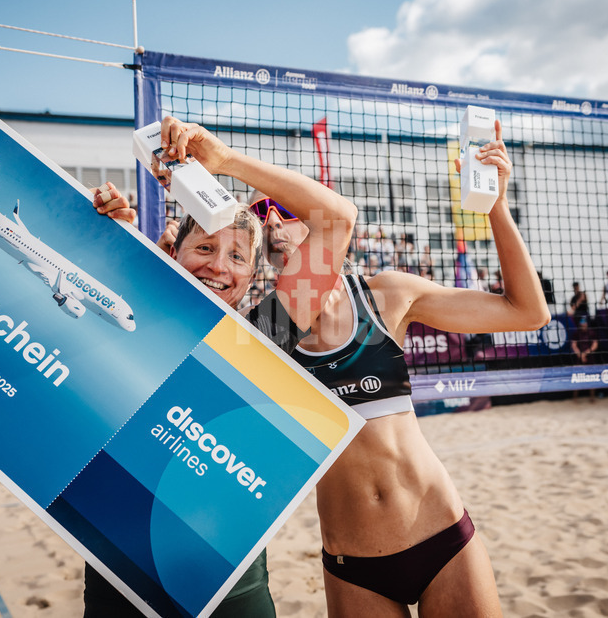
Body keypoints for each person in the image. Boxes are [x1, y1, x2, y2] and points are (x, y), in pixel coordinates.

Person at [250, 119, 548, 616]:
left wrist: (496, 206)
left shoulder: (386, 295)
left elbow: (527, 312)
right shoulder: (267, 332)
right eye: (264, 217)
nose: (275, 225)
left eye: (285, 210)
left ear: (318, 220)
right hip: (353, 565)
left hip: (441, 537)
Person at [85, 116, 357, 618]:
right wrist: (109, 243)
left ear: (252, 275)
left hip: (231, 589)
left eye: (237, 256)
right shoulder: (123, 320)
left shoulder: (263, 336)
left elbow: (339, 219)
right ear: (173, 251)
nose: (219, 266)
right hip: (118, 583)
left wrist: (226, 161)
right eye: (205, 248)